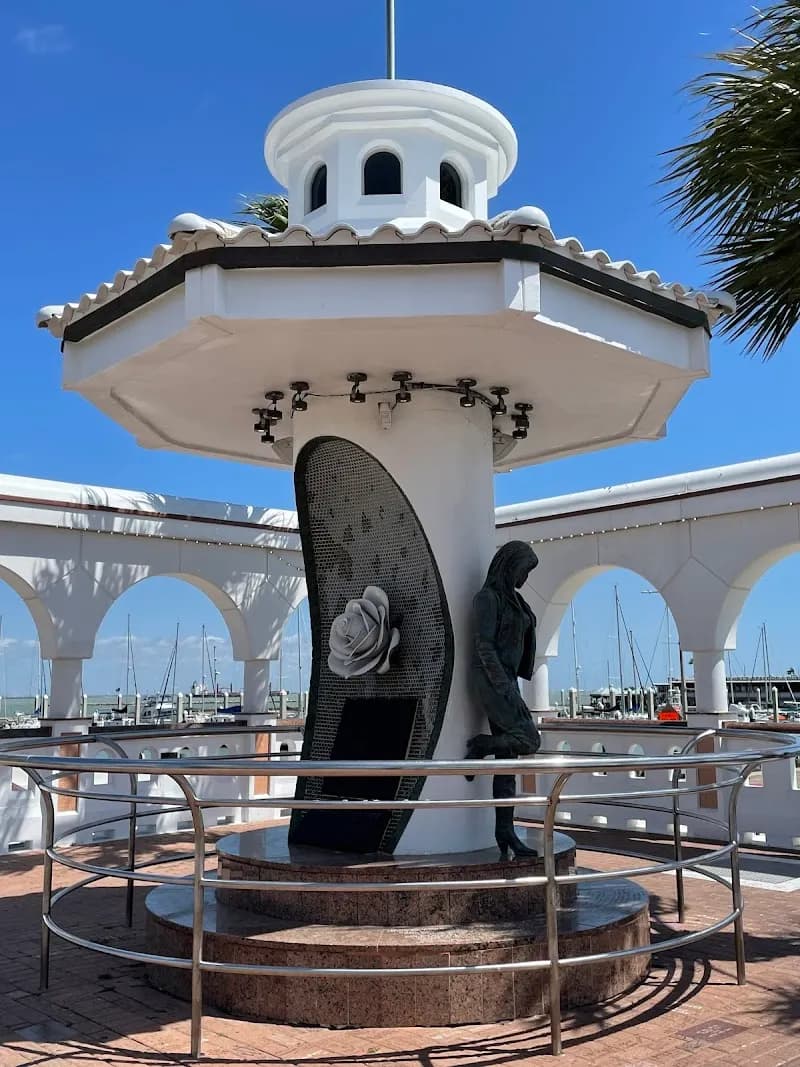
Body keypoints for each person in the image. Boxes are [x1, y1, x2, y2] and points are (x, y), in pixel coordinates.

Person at [466, 540, 542, 859]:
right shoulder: (487, 598)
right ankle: (482, 745)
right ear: (509, 565)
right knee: (529, 740)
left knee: (508, 761)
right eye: (524, 570)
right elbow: (484, 646)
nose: (525, 578)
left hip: (506, 678)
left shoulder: (516, 601)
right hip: (490, 677)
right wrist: (505, 688)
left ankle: (505, 830)